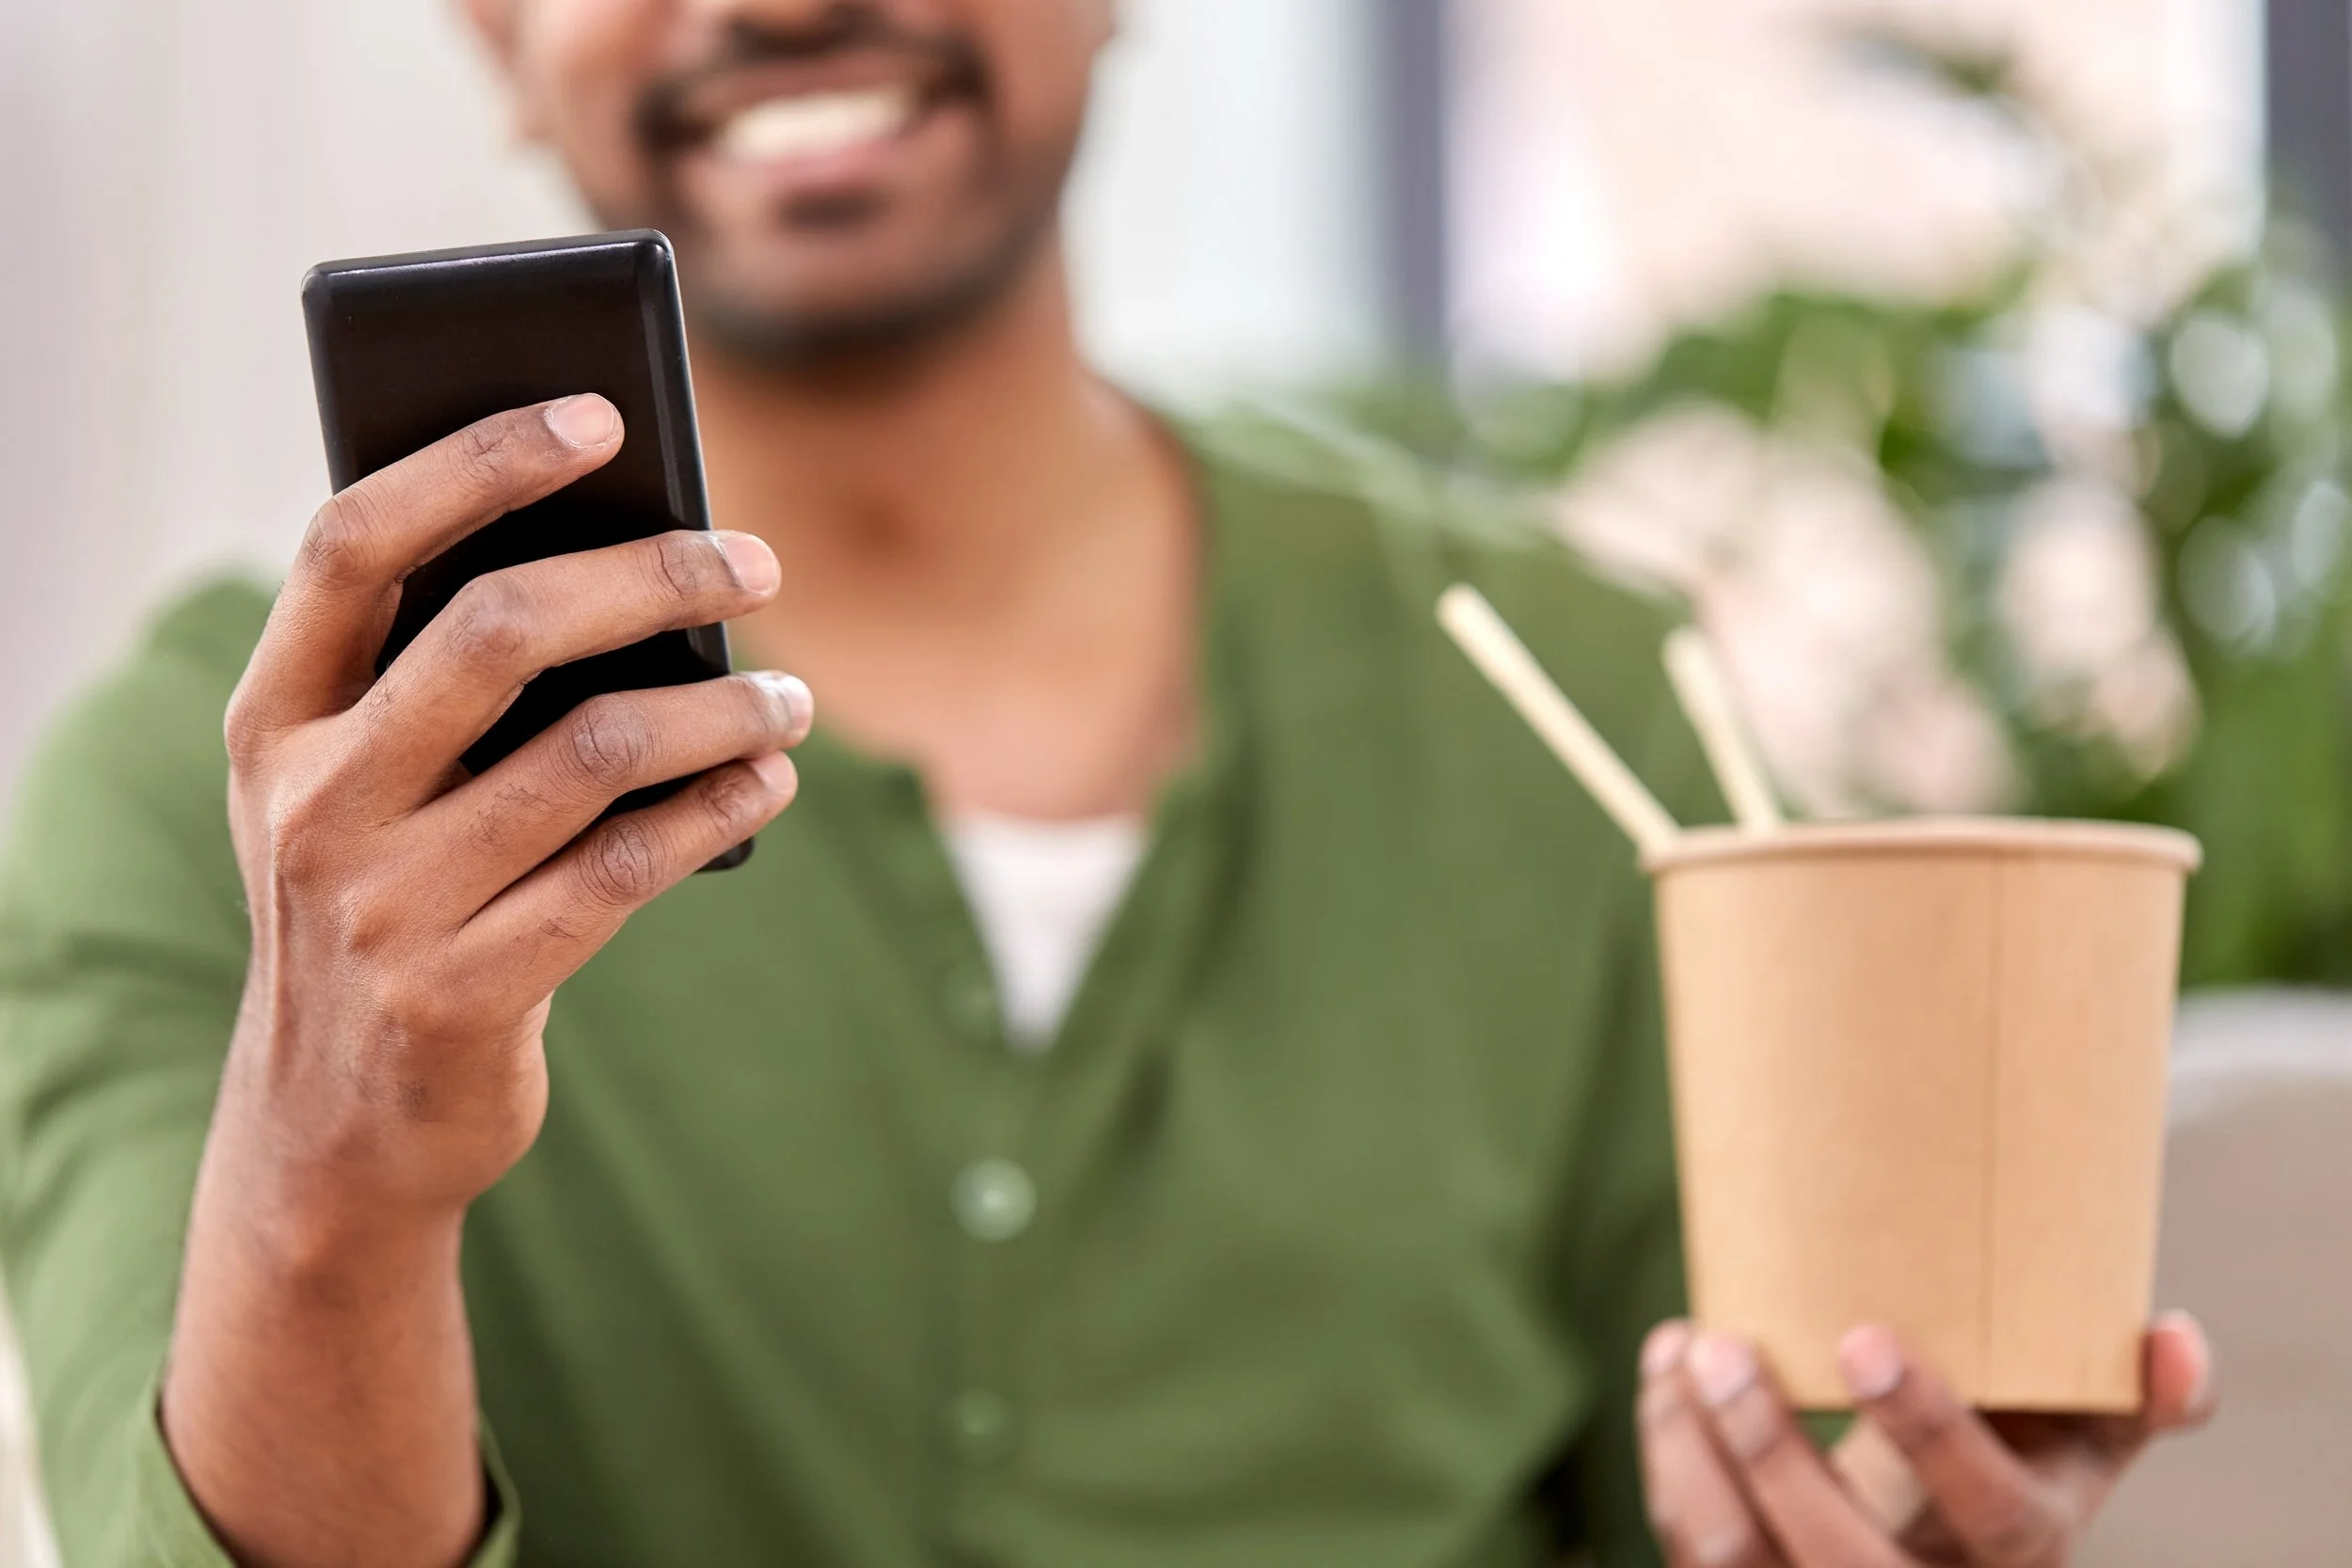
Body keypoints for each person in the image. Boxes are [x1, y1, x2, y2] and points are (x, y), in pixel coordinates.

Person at [0, 2, 2212, 1565]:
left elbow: (1747, 1463)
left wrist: (1876, 1513)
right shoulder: (228, 807)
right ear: (492, 28)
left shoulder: (1571, 703)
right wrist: (333, 1166)